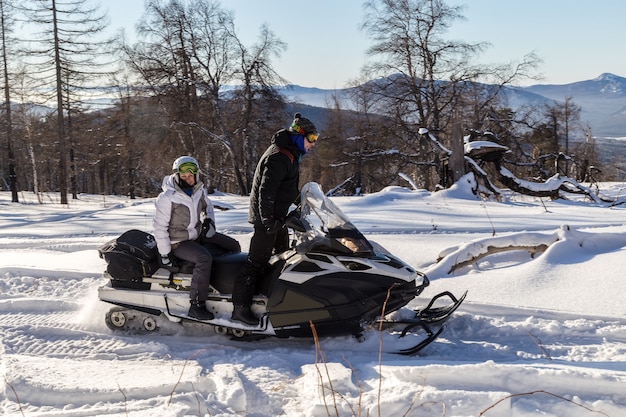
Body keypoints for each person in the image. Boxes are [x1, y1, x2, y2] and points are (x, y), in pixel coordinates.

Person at [231, 113, 319, 325]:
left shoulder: (290, 154)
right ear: (299, 136)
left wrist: (302, 202)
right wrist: (268, 219)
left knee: (281, 258)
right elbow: (266, 190)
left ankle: (271, 300)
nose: (313, 144)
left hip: (278, 218)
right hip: (267, 219)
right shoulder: (279, 156)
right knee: (256, 262)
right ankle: (240, 308)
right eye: (312, 138)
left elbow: (286, 187)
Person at [153, 156, 241, 320]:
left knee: (233, 245)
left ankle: (224, 285)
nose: (188, 179)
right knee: (203, 258)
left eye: (191, 175)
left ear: (196, 175)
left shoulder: (198, 190)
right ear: (178, 176)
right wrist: (165, 254)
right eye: (184, 176)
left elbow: (208, 207)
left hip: (197, 234)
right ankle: (196, 304)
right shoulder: (167, 198)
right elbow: (159, 228)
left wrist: (209, 221)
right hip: (177, 242)